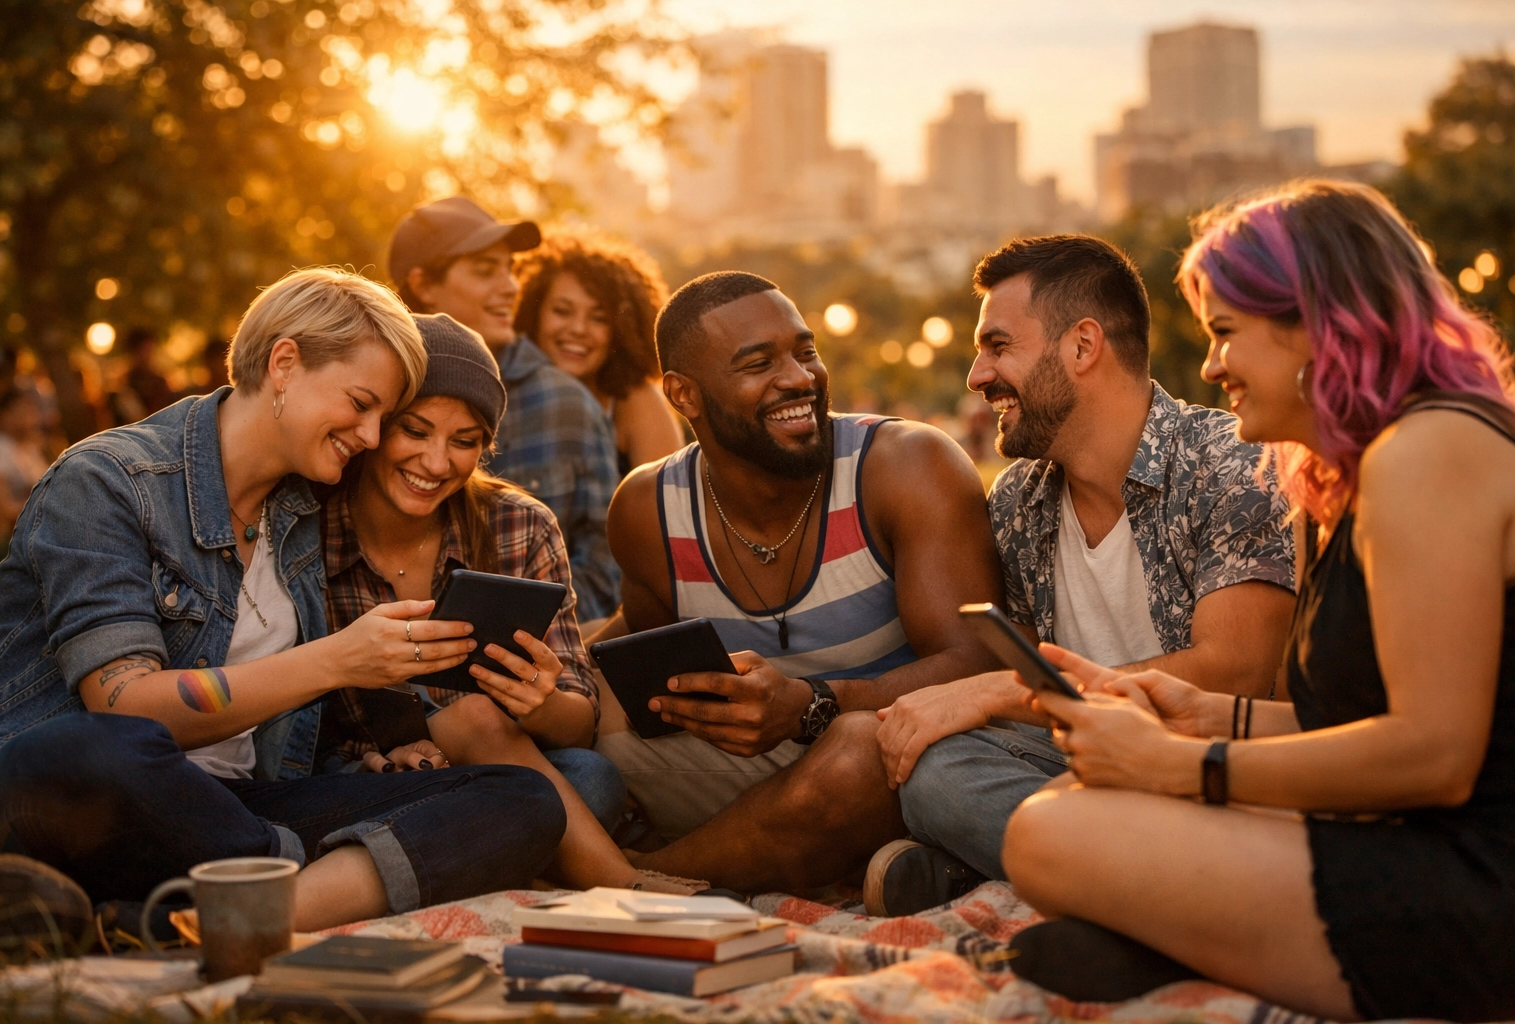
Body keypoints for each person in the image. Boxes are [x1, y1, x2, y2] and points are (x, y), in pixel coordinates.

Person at [1001, 181, 1515, 1022]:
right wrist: (1203, 716)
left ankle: (1182, 946)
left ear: (1317, 324)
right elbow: (1360, 718)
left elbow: (1435, 755)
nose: (1208, 367)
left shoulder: (1432, 450)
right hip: (1412, 836)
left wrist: (1181, 767)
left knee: (1045, 835)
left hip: (1478, 878)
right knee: (1076, 807)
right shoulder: (1356, 475)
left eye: (1225, 333)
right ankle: (1198, 945)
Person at [0, 267, 566, 935]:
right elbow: (125, 704)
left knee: (521, 797)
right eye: (361, 403)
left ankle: (194, 922)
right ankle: (287, 888)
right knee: (76, 753)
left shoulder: (301, 514)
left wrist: (361, 768)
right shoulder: (109, 481)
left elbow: (277, 737)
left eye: (383, 417)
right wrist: (338, 661)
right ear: (284, 363)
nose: (372, 438)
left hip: (235, 812)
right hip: (87, 802)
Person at [862, 235, 1296, 917]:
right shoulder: (1016, 500)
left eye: (998, 347)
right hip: (1089, 768)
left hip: (1216, 771)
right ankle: (1123, 881)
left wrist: (992, 691)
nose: (977, 377)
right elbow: (1030, 680)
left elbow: (1237, 671)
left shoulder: (1232, 465)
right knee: (938, 771)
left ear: (1082, 347)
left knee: (961, 754)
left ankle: (1091, 881)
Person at [595, 271, 1005, 893]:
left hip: (904, 756)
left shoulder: (904, 465)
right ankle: (854, 859)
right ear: (684, 395)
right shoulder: (648, 509)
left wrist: (811, 705)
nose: (799, 378)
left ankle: (636, 878)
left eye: (805, 351)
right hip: (762, 769)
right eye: (759, 363)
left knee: (860, 748)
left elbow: (976, 660)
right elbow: (646, 672)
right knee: (598, 749)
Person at [320, 312, 699, 893]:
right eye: (415, 431)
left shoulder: (518, 524)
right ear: (374, 426)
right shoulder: (311, 528)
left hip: (501, 763)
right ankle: (608, 878)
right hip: (366, 775)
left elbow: (577, 726)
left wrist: (539, 701)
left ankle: (469, 848)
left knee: (591, 779)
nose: (437, 462)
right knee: (543, 790)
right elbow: (297, 729)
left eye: (465, 442)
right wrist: (378, 756)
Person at [389, 197, 622, 621]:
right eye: (484, 271)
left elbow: (606, 559)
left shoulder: (562, 403)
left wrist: (522, 637)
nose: (511, 287)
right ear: (422, 284)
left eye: (509, 269)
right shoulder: (375, 388)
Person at [516, 230, 685, 476]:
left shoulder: (634, 401)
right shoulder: (506, 389)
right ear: (533, 313)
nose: (578, 329)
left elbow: (667, 504)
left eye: (599, 318)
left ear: (621, 331)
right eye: (562, 311)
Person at [0, 386, 52, 531]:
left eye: (33, 411)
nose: (32, 417)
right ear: (2, 416)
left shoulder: (29, 449)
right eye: (23, 411)